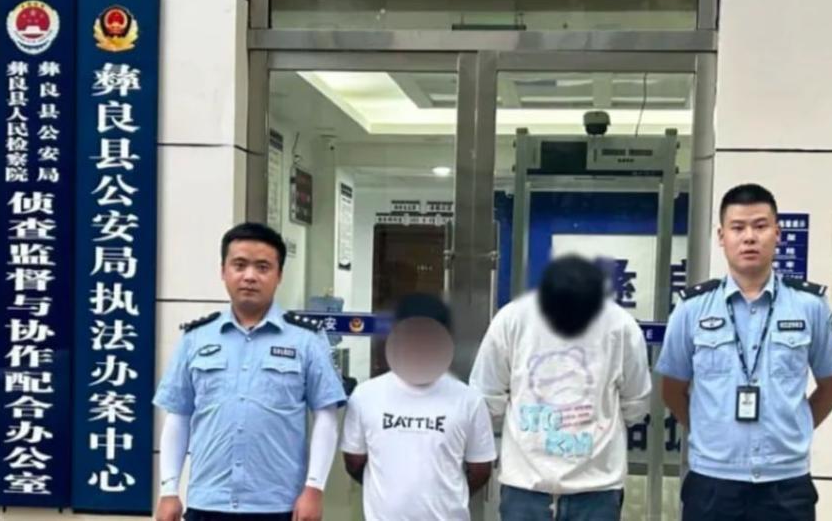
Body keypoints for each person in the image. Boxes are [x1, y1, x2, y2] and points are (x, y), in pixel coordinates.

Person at [656, 184, 832, 521]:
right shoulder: (692, 309)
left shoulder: (809, 306)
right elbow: (672, 388)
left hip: (785, 485)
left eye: (760, 226)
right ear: (721, 237)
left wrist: (796, 428)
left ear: (777, 234)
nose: (749, 237)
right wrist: (707, 431)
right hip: (712, 481)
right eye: (738, 228)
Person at [153, 223, 347, 521]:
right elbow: (178, 415)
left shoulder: (306, 339)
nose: (250, 276)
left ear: (279, 275)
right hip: (208, 502)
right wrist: (168, 490)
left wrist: (314, 487)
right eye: (239, 265)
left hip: (279, 504)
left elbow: (326, 416)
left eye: (263, 267)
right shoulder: (196, 338)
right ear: (223, 271)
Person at [470, 255, 652, 521]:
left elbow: (636, 402)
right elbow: (484, 399)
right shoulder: (512, 319)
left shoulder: (619, 324)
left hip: (595, 491)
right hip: (528, 487)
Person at [341, 293, 497, 521]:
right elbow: (354, 462)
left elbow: (481, 469)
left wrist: (445, 499)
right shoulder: (365, 396)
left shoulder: (469, 400)